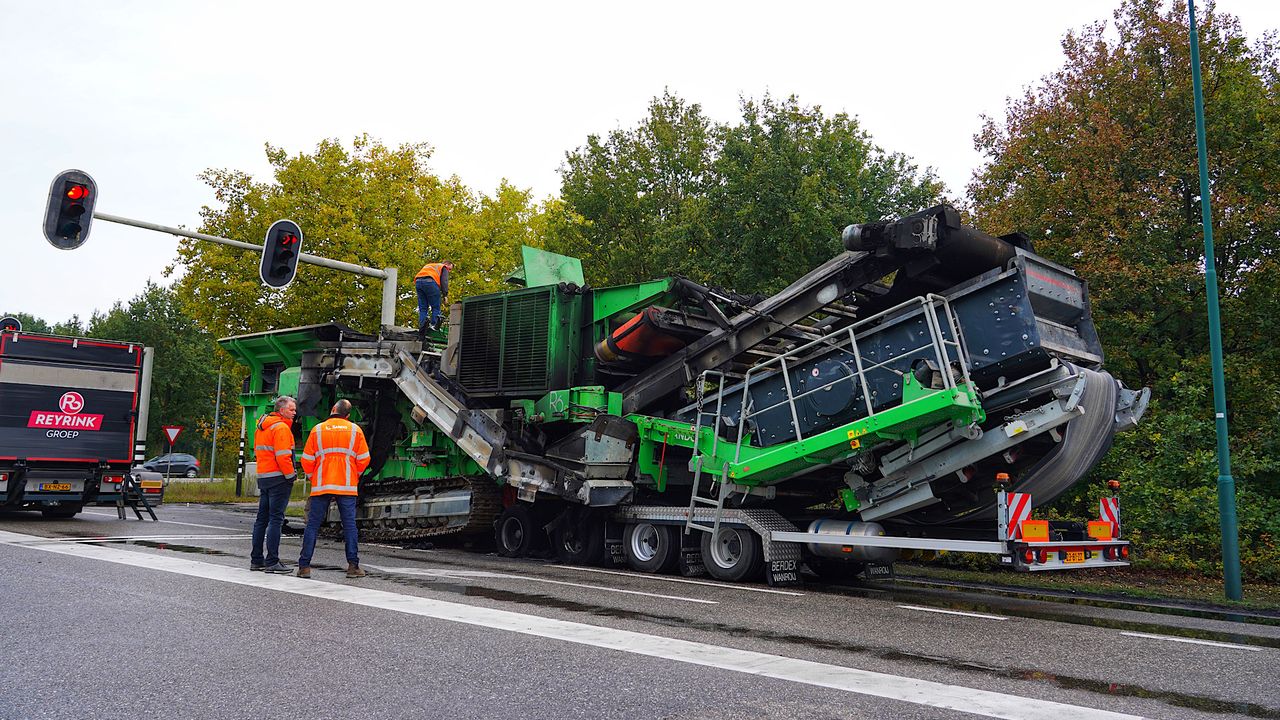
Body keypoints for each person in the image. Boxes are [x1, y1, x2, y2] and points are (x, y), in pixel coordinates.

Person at [296, 399, 371, 579]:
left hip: (322, 485)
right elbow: (364, 459)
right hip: (346, 486)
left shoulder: (318, 430)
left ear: (332, 409)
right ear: (348, 415)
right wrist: (354, 475)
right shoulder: (355, 431)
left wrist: (315, 477)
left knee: (313, 525)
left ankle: (304, 567)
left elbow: (306, 460)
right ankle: (353, 567)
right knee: (350, 526)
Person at [250, 395, 297, 573]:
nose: (294, 413)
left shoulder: (262, 428)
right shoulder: (281, 428)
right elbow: (283, 456)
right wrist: (291, 476)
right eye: (291, 410)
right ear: (281, 410)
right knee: (276, 520)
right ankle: (272, 562)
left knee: (261, 520)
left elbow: (259, 452)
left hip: (264, 477)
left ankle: (256, 560)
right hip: (279, 479)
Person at [414, 261, 453, 331]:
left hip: (418, 282)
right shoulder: (443, 267)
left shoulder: (430, 265)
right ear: (446, 264)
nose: (449, 271)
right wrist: (445, 295)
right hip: (430, 282)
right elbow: (444, 281)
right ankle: (434, 326)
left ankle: (422, 326)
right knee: (436, 307)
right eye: (450, 269)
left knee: (423, 308)